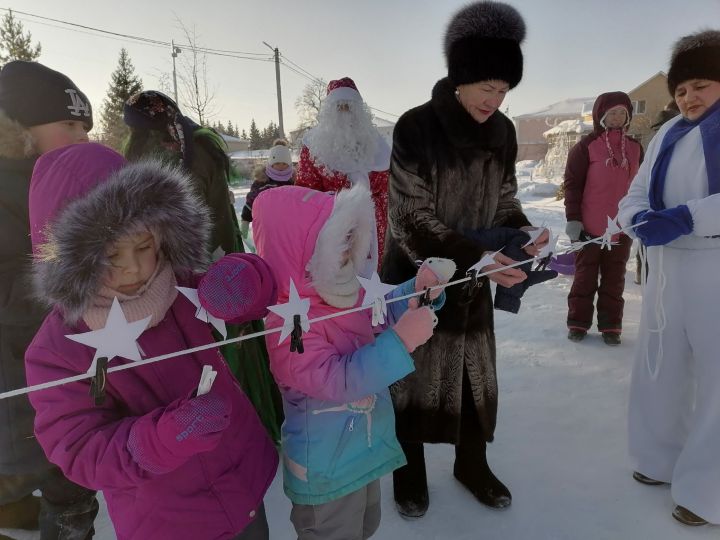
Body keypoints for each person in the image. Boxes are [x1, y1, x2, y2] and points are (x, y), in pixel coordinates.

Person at [25, 143, 279, 539]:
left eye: (144, 245)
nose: (137, 267)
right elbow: (78, 448)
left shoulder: (177, 283)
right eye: (111, 256)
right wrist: (158, 441)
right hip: (169, 521)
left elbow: (255, 298)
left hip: (242, 480)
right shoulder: (58, 350)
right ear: (73, 263)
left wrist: (244, 281)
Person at [381, 1, 548, 518]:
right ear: (460, 78)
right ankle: (408, 471)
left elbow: (504, 199)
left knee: (473, 377)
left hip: (476, 275)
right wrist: (479, 257)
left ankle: (471, 463)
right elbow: (410, 216)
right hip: (417, 277)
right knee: (410, 377)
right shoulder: (415, 127)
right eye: (487, 88)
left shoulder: (503, 133)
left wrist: (523, 233)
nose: (495, 101)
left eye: (504, 91)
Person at [253, 184, 450, 539]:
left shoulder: (345, 289)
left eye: (348, 237)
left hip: (362, 453)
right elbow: (335, 381)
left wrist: (416, 291)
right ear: (299, 252)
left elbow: (380, 310)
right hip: (325, 469)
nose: (346, 249)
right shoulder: (289, 324)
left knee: (365, 526)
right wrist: (401, 341)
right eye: (334, 240)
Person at [123, 90, 283, 444]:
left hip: (198, 273)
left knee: (220, 353)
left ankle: (237, 432)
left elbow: (201, 222)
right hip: (204, 269)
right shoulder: (189, 148)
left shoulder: (182, 156)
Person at [617, 29, 720, 527]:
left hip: (716, 265)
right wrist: (634, 218)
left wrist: (687, 216)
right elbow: (635, 190)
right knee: (660, 364)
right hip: (668, 267)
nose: (688, 97)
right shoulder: (667, 133)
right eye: (681, 90)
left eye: (701, 84)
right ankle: (657, 457)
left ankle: (708, 490)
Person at [0, 60, 98, 538]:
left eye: (85, 125)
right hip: (15, 393)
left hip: (71, 385)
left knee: (73, 504)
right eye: (69, 124)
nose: (82, 135)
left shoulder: (72, 188)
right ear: (20, 128)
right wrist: (67, 279)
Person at [563, 92, 643, 345]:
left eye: (622, 113)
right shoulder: (586, 146)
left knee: (614, 278)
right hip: (589, 226)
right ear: (601, 116)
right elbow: (573, 185)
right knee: (585, 277)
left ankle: (611, 326)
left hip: (621, 227)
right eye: (612, 113)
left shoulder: (635, 148)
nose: (617, 118)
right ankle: (578, 323)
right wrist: (574, 219)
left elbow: (642, 185)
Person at [296, 77, 391, 265]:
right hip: (329, 226)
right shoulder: (314, 146)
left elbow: (386, 189)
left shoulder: (376, 144)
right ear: (329, 113)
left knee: (372, 281)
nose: (345, 113)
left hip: (372, 228)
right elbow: (305, 192)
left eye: (350, 107)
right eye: (339, 107)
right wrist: (338, 207)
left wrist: (368, 210)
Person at [634, 100, 680, 285]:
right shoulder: (675, 133)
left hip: (652, 204)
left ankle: (643, 276)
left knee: (647, 242)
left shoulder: (654, 136)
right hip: (663, 205)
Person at [240, 138, 295, 237]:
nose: (281, 167)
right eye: (277, 163)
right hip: (267, 226)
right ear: (271, 163)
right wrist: (245, 220)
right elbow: (251, 201)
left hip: (290, 227)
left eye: (284, 164)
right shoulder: (262, 181)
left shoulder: (294, 181)